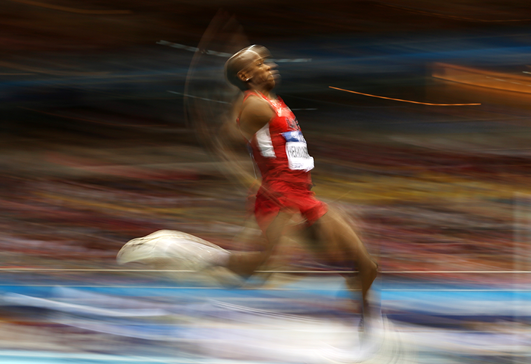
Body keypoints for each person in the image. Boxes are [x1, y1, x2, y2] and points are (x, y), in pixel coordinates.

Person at [118, 45, 378, 321]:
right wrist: (258, 184)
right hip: (280, 197)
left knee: (366, 266)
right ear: (245, 74)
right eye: (261, 63)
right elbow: (226, 146)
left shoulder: (273, 101)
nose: (270, 66)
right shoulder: (254, 104)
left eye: (267, 61)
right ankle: (171, 247)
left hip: (304, 196)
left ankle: (367, 333)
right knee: (257, 271)